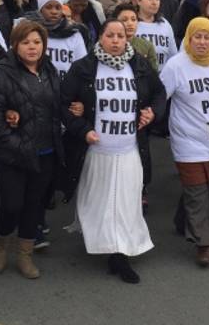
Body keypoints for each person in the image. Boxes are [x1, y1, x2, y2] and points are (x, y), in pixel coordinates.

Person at [61, 19, 164, 283]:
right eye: (110, 35)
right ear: (101, 38)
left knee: (126, 203)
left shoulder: (139, 66)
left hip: (129, 149)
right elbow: (64, 104)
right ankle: (104, 243)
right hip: (97, 151)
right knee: (99, 201)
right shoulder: (83, 68)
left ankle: (119, 254)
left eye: (120, 36)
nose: (116, 40)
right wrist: (82, 128)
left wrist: (152, 112)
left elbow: (159, 94)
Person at [0, 20, 64, 280]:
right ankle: (2, 245)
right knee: (11, 204)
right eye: (26, 42)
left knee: (34, 205)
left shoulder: (50, 70)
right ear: (15, 45)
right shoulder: (3, 74)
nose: (32, 47)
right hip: (13, 154)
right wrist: (14, 139)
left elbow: (56, 106)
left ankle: (25, 253)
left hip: (46, 152)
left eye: (37, 42)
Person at [161, 18, 209, 266]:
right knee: (197, 192)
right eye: (198, 37)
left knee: (202, 188)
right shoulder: (176, 66)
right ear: (189, 38)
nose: (203, 42)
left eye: (208, 37)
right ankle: (204, 243)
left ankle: (181, 218)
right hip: (189, 142)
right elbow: (158, 97)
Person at [22, 0, 90, 78]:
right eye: (49, 7)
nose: (54, 11)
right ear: (40, 9)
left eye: (58, 7)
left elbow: (82, 65)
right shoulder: (29, 30)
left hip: (65, 87)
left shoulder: (73, 33)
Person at [132, 0, 176, 69]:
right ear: (138, 1)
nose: (154, 2)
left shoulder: (165, 24)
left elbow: (173, 56)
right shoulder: (131, 23)